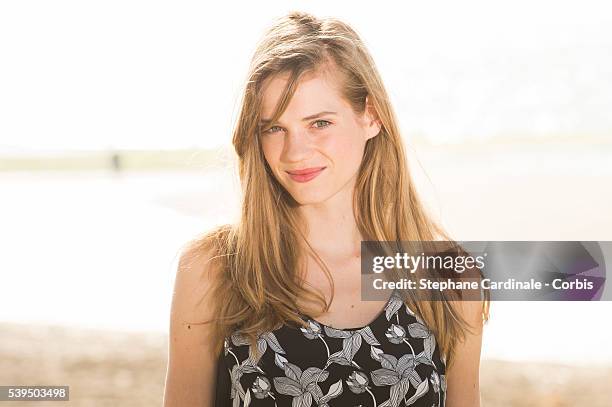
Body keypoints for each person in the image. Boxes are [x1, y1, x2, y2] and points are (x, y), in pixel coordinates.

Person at [163, 11, 490, 407]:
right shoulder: (215, 269)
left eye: (318, 123)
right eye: (274, 128)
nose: (295, 152)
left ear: (371, 116)